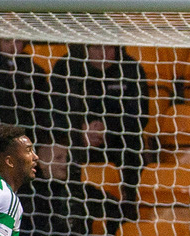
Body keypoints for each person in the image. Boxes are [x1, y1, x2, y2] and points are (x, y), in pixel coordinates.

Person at [48, 42, 148, 213]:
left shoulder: (131, 69)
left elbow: (140, 115)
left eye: (109, 48)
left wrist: (107, 130)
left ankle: (127, 208)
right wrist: (81, 131)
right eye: (97, 48)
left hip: (119, 144)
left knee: (134, 144)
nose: (104, 54)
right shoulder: (66, 68)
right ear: (85, 48)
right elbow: (54, 112)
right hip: (77, 142)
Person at [16, 142, 117, 236]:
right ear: (41, 163)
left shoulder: (83, 191)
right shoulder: (27, 193)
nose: (65, 163)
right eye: (59, 158)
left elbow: (118, 211)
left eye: (67, 158)